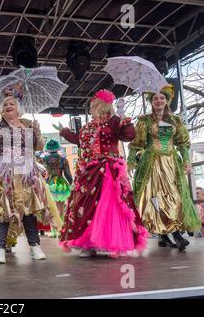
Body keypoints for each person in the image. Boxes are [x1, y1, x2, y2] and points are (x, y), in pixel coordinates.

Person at [0, 77, 61, 264]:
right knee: (2, 210)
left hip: (26, 172)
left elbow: (38, 147)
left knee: (29, 209)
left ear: (18, 108)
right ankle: (0, 249)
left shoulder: (27, 124)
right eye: (5, 104)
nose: (8, 106)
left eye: (12, 103)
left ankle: (34, 246)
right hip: (3, 173)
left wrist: (38, 132)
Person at [56, 89, 148, 258]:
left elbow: (128, 136)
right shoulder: (89, 126)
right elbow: (79, 141)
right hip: (89, 170)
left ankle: (107, 241)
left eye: (93, 104)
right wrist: (65, 133)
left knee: (109, 205)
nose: (90, 107)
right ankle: (88, 242)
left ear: (100, 105)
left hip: (107, 169)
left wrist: (124, 121)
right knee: (86, 205)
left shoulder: (113, 121)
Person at [128, 84, 201, 251]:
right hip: (151, 164)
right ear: (151, 102)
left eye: (162, 98)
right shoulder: (144, 121)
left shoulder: (175, 121)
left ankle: (174, 233)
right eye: (155, 98)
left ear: (167, 100)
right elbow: (136, 144)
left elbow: (182, 143)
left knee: (174, 198)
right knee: (155, 199)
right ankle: (165, 235)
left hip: (171, 164)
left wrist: (187, 161)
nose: (158, 100)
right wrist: (132, 160)